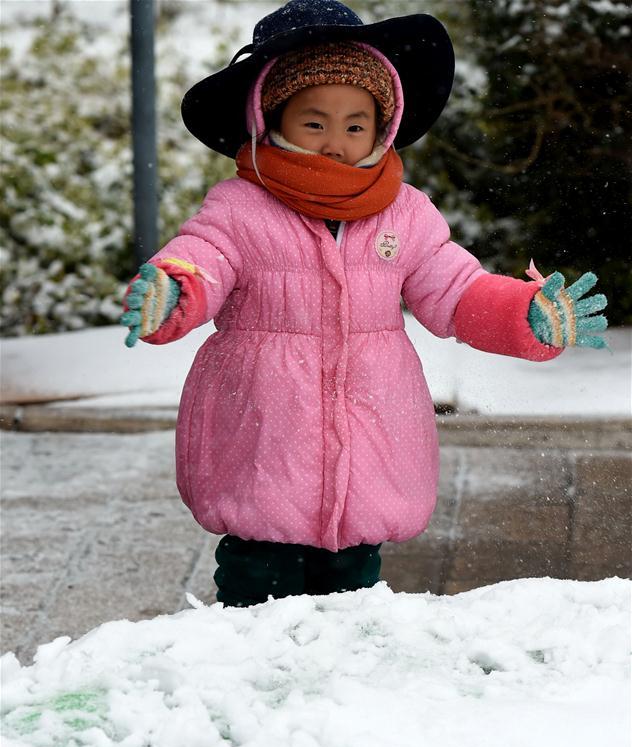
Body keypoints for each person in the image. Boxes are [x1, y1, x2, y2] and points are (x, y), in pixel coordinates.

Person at [120, 0, 608, 608]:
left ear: (383, 128)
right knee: (255, 592)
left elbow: (454, 290)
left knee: (354, 598)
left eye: (356, 126)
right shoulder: (240, 210)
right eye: (314, 122)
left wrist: (522, 314)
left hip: (372, 433)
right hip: (264, 438)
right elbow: (201, 261)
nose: (337, 143)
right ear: (271, 121)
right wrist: (173, 294)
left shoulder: (404, 212)